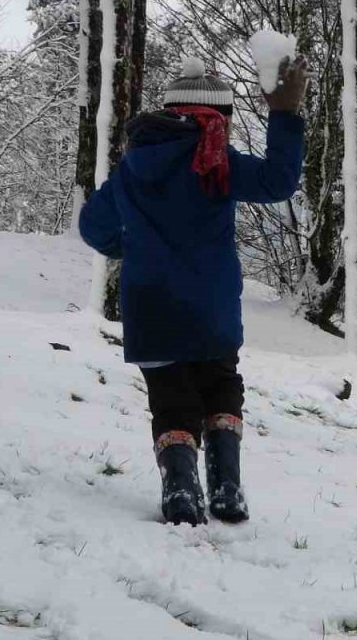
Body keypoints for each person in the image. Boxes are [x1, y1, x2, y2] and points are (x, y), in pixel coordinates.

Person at [79, 56, 309, 525]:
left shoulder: (134, 163)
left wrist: (130, 246)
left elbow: (92, 226)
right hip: (211, 300)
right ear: (218, 116)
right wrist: (284, 114)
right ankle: (227, 490)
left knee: (170, 396)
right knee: (221, 384)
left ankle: (181, 491)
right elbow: (279, 181)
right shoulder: (217, 160)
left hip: (150, 300)